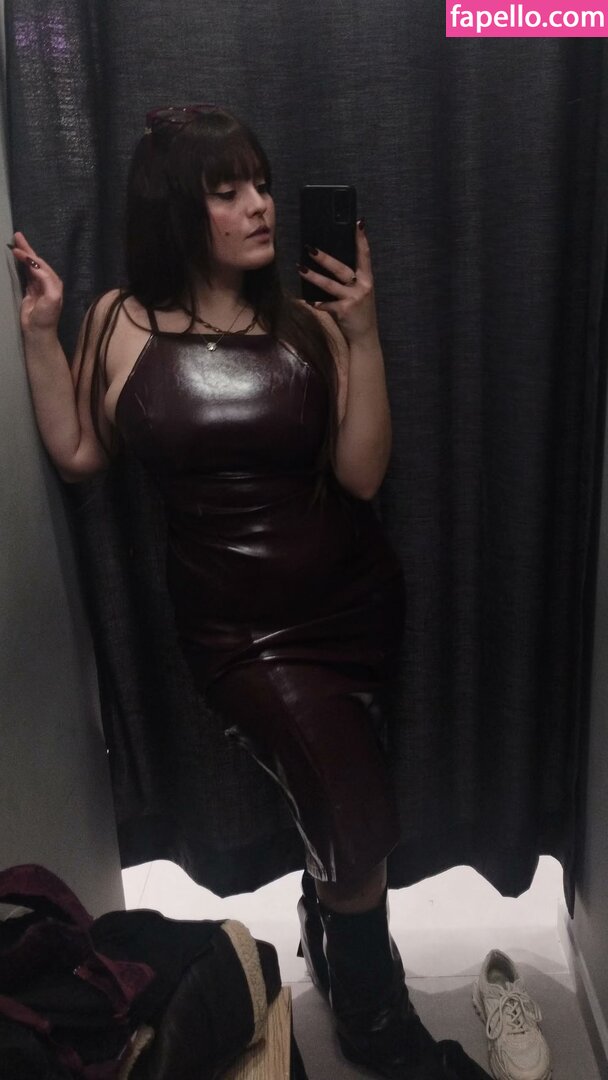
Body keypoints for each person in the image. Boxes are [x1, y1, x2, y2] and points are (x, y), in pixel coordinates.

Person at [11, 105, 489, 1080]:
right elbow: (79, 454)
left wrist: (361, 333)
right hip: (239, 635)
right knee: (356, 825)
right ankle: (377, 1023)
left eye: (261, 185)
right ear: (174, 211)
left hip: (352, 600)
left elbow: (360, 476)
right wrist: (41, 332)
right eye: (226, 191)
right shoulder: (117, 322)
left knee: (345, 800)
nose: (259, 205)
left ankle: (330, 934)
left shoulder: (302, 318)